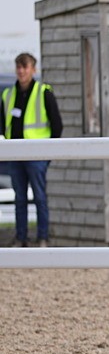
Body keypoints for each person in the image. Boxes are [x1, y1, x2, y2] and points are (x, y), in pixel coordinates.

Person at [2, 53, 62, 247]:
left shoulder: (44, 92)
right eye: (18, 67)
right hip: (15, 153)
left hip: (37, 154)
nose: (21, 71)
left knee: (39, 196)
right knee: (20, 197)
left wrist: (48, 154)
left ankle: (43, 237)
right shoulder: (8, 94)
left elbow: (57, 126)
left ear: (33, 69)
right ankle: (21, 238)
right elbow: (2, 125)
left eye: (25, 67)